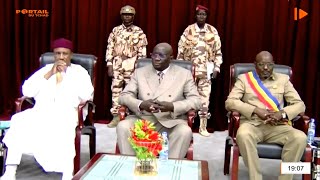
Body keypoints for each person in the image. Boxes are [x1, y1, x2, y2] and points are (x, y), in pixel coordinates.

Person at [1, 38, 94, 180]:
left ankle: (67, 173)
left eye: (65, 53)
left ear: (71, 54)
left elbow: (87, 94)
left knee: (65, 125)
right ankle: (10, 170)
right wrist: (49, 74)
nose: (61, 57)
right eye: (58, 54)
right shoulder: (45, 70)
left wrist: (67, 76)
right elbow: (27, 91)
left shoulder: (79, 72)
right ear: (53, 55)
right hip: (42, 110)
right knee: (18, 120)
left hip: (67, 111)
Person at [225, 51, 307, 180]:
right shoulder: (244, 79)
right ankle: (255, 177)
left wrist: (282, 113)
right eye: (262, 64)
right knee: (243, 134)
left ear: (273, 64)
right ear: (255, 65)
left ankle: (285, 178)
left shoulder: (283, 80)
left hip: (277, 126)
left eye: (269, 65)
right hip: (252, 124)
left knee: (300, 137)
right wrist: (255, 110)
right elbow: (230, 102)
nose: (265, 68)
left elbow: (300, 105)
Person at [116, 43, 201, 158]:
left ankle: (169, 170)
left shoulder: (184, 74)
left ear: (171, 58)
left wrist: (172, 106)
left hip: (171, 121)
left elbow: (196, 101)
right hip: (143, 120)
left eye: (161, 55)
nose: (156, 58)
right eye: (154, 55)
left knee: (184, 131)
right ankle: (132, 167)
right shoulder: (140, 72)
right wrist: (141, 104)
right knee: (123, 126)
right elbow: (124, 96)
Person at [177, 5, 223, 137]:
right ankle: (185, 125)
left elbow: (218, 52)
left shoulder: (212, 31)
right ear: (195, 15)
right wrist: (180, 68)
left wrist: (217, 67)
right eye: (199, 14)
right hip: (189, 71)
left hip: (205, 70)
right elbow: (180, 50)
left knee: (204, 99)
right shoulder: (189, 30)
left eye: (204, 14)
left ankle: (203, 126)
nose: (201, 17)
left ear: (206, 16)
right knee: (186, 97)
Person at [106, 5, 148, 128]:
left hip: (132, 63)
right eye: (125, 14)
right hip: (118, 62)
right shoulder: (116, 31)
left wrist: (140, 67)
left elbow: (142, 50)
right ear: (121, 16)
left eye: (129, 15)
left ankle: (130, 116)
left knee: (132, 91)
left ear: (133, 16)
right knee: (116, 90)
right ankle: (116, 116)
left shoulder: (139, 32)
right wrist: (109, 64)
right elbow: (110, 47)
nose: (127, 17)